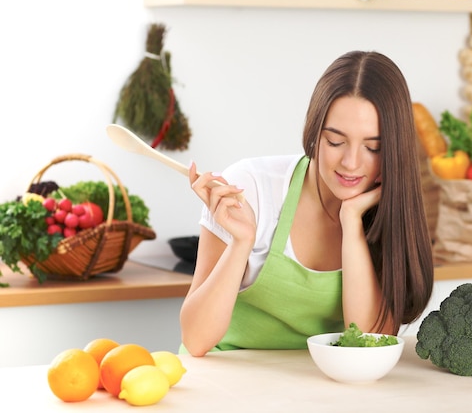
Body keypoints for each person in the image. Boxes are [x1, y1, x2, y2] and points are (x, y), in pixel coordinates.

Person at [180, 50, 434, 355]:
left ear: (395, 150)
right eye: (335, 142)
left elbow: (369, 344)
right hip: (228, 381)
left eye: (373, 147)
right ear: (314, 132)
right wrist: (241, 243)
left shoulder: (388, 211)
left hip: (317, 390)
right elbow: (195, 340)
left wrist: (351, 221)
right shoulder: (253, 188)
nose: (351, 162)